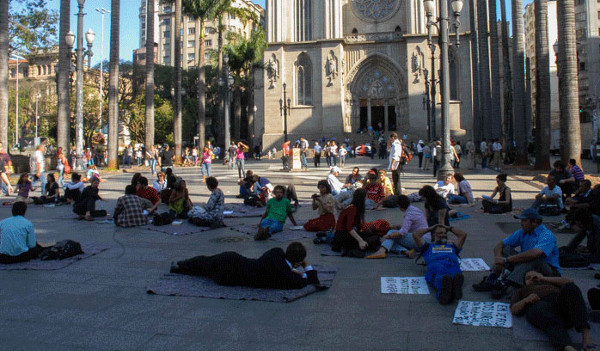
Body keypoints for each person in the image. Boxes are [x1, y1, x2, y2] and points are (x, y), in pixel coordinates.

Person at [473, 208, 561, 299]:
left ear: (534, 222)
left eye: (524, 220)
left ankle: (506, 283)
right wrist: (498, 260)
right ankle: (493, 278)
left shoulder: (547, 235)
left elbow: (534, 254)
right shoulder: (523, 231)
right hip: (526, 265)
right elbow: (500, 245)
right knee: (505, 249)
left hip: (548, 270)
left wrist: (506, 260)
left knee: (532, 259)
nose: (521, 223)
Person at [170, 242, 320, 289]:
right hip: (231, 278)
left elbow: (280, 264)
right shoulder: (288, 277)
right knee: (206, 271)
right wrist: (306, 266)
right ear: (298, 261)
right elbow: (313, 281)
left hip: (235, 260)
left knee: (205, 262)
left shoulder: (276, 252)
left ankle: (182, 265)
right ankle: (180, 270)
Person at [510, 271, 595, 351]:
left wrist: (543, 278)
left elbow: (570, 281)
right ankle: (567, 347)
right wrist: (526, 300)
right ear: (524, 282)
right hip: (540, 306)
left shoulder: (551, 282)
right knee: (544, 312)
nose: (532, 279)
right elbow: (513, 309)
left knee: (571, 287)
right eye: (528, 278)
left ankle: (586, 335)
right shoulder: (522, 290)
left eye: (534, 276)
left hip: (560, 304)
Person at [413, 224, 467, 304]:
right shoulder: (427, 246)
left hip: (451, 263)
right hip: (436, 264)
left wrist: (449, 228)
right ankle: (443, 294)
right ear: (434, 235)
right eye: (440, 233)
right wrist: (430, 228)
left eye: (445, 233)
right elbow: (416, 235)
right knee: (441, 274)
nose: (443, 235)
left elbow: (463, 235)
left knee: (456, 273)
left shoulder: (452, 246)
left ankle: (455, 289)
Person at [331, 189, 379, 257]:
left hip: (341, 235)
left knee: (370, 236)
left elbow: (358, 227)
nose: (366, 199)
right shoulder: (352, 209)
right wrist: (360, 240)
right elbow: (349, 228)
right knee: (375, 238)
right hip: (343, 236)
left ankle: (357, 247)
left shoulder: (354, 208)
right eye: (365, 197)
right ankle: (356, 249)